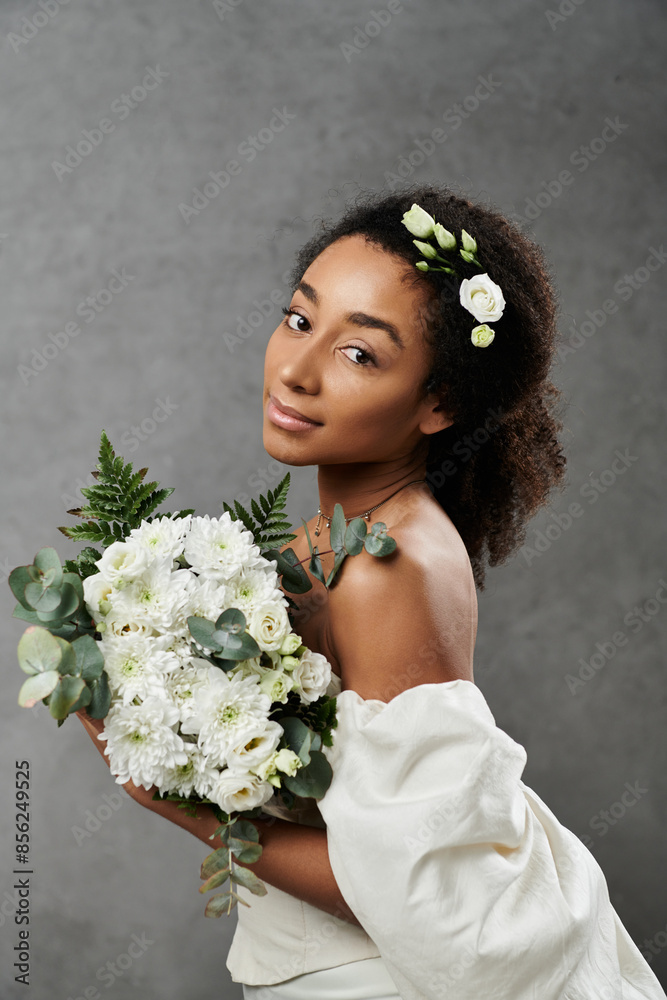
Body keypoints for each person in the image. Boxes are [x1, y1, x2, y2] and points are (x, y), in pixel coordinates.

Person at [77, 183, 666, 1000]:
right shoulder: (326, 540)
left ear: (441, 402)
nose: (297, 370)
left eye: (359, 354)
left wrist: (174, 802)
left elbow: (416, 900)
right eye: (298, 319)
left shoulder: (391, 565)